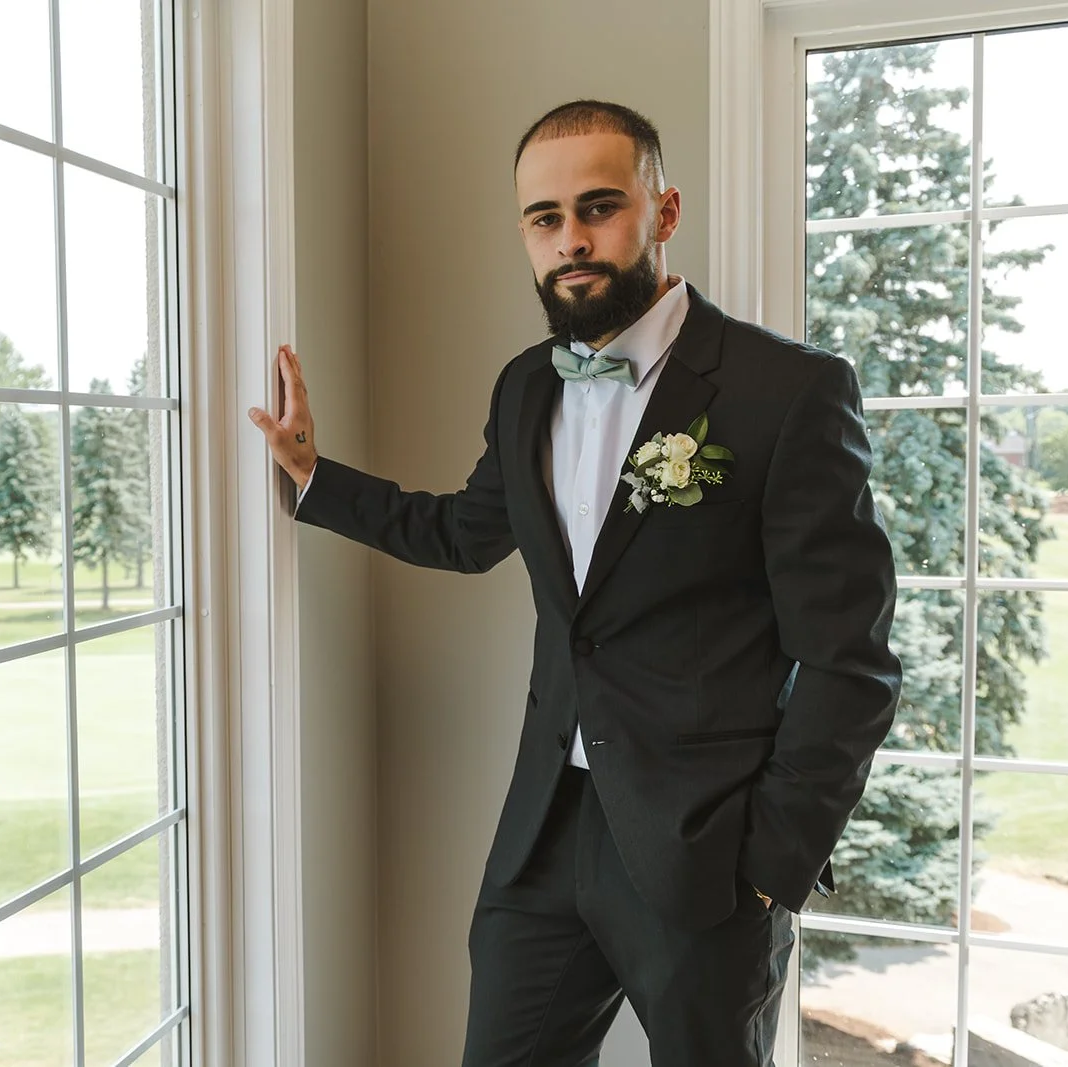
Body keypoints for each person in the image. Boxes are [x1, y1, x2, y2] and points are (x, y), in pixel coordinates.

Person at [248, 99, 902, 1067]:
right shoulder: (524, 386)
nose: (571, 240)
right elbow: (466, 533)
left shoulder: (786, 392)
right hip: (544, 835)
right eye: (544, 218)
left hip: (705, 851)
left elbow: (849, 658)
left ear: (663, 211)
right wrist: (315, 479)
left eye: (598, 208)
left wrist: (774, 860)